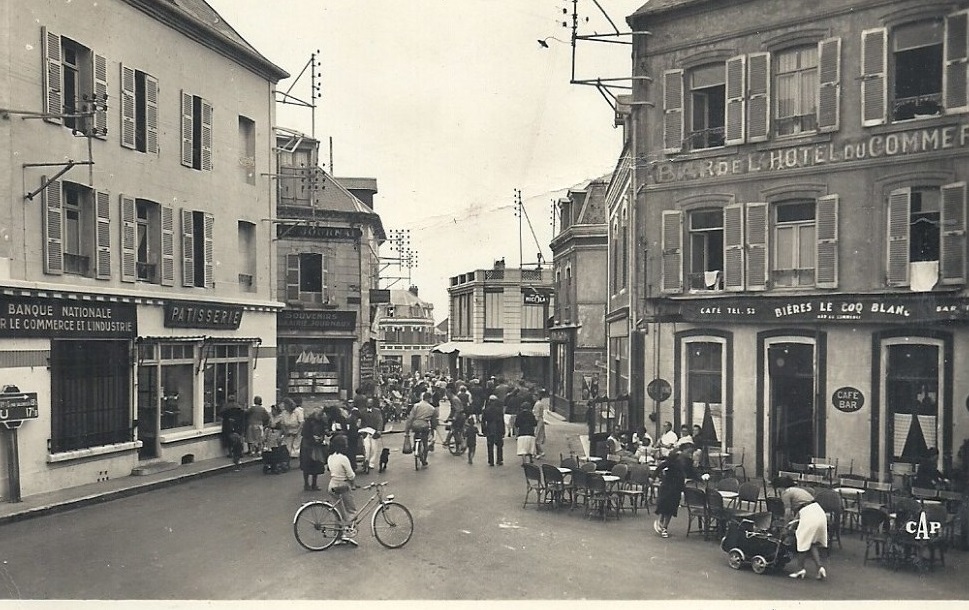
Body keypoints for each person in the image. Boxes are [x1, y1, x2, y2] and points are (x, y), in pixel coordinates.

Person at [775, 475, 828, 580]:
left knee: (802, 541)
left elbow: (787, 512)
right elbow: (800, 511)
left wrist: (785, 527)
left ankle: (800, 569)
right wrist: (791, 525)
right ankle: (820, 567)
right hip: (819, 512)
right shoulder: (799, 491)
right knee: (812, 543)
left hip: (809, 516)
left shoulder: (786, 493)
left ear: (780, 487)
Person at [653, 448, 694, 538]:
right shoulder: (670, 463)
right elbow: (659, 468)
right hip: (667, 488)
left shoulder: (684, 463)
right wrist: (653, 477)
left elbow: (691, 472)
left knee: (670, 509)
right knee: (664, 507)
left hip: (676, 489)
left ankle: (664, 526)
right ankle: (661, 524)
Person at [326, 434, 358, 547]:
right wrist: (353, 484)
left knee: (338, 512)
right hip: (342, 485)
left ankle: (338, 536)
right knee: (351, 510)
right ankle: (349, 533)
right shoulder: (343, 458)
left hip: (332, 485)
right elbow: (351, 475)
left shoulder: (330, 457)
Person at [405, 391, 437, 468]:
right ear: (429, 399)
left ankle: (415, 445)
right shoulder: (432, 408)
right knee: (425, 441)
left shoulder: (416, 406)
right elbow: (433, 422)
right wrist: (433, 430)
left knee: (416, 434)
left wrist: (407, 430)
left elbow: (410, 418)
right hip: (424, 425)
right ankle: (424, 460)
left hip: (415, 424)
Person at [300, 408, 328, 491]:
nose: (319, 417)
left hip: (317, 446)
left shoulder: (321, 422)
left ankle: (314, 484)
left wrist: (321, 437)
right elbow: (304, 433)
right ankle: (306, 484)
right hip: (307, 446)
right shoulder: (308, 422)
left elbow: (323, 431)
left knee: (316, 464)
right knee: (307, 465)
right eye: (318, 415)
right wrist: (312, 438)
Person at [220, 395, 247, 469]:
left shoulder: (225, 407)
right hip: (238, 425)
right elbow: (243, 415)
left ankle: (230, 453)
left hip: (228, 425)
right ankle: (240, 452)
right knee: (239, 439)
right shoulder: (239, 406)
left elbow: (221, 415)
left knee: (229, 439)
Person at [359, 397, 385, 475]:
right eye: (368, 403)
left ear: (373, 404)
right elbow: (360, 421)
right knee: (366, 447)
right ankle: (366, 461)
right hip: (365, 432)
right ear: (366, 403)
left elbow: (380, 421)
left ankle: (371, 462)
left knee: (374, 448)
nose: (369, 404)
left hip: (374, 432)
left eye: (370, 403)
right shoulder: (362, 412)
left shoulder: (377, 411)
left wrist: (379, 430)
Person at [482, 395, 506, 466]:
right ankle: (499, 460)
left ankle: (491, 461)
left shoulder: (486, 410)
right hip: (498, 428)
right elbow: (502, 420)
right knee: (499, 445)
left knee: (490, 445)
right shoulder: (499, 410)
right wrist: (503, 431)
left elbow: (483, 421)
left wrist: (484, 431)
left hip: (489, 428)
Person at [532, 389, 549, 459]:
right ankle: (537, 452)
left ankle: (540, 451)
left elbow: (537, 414)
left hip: (538, 421)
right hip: (540, 420)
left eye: (534, 396)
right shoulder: (539, 403)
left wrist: (534, 421)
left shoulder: (537, 404)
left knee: (536, 437)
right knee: (537, 437)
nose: (533, 398)